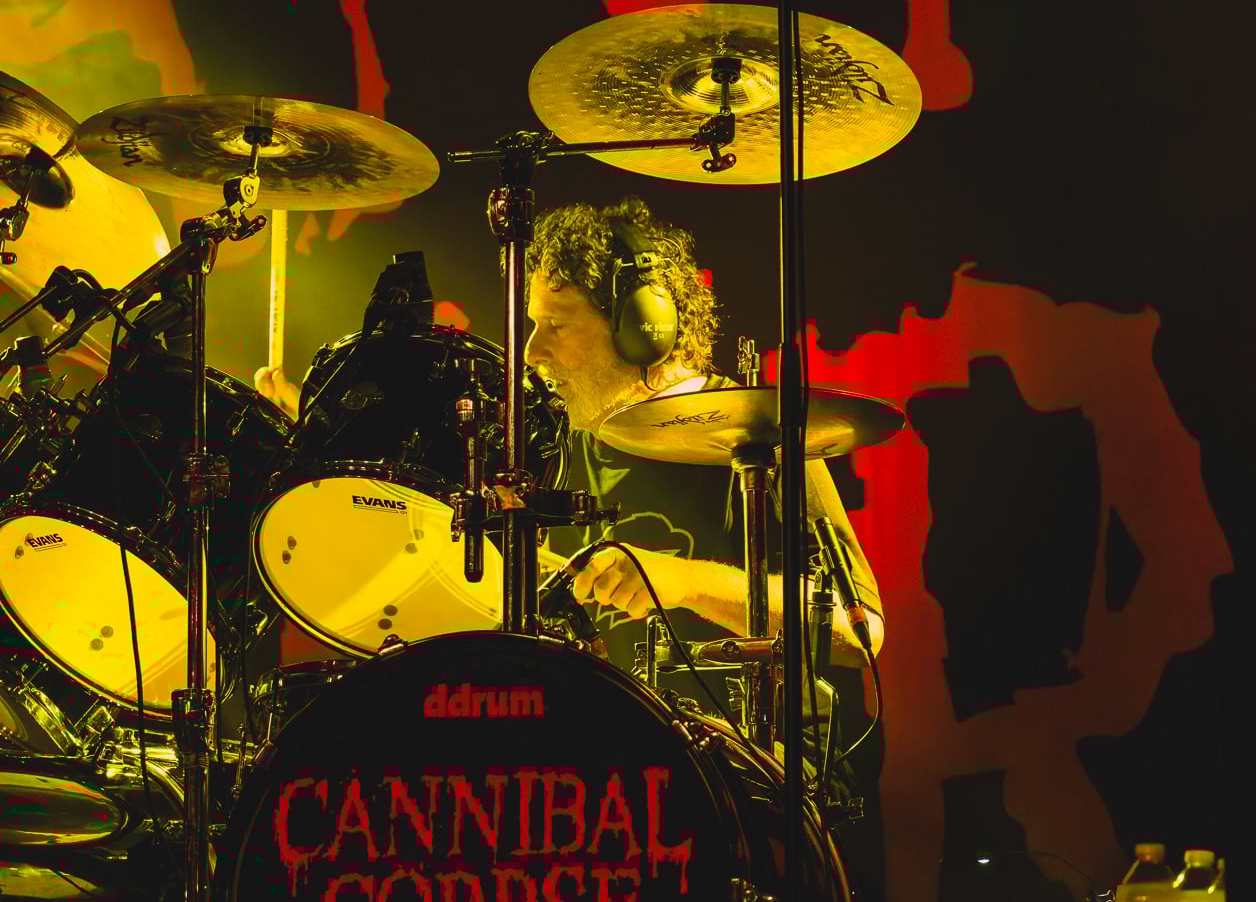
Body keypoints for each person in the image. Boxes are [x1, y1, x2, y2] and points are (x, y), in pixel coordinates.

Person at [254, 196, 884, 684]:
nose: (532, 351)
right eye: (533, 324)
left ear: (642, 326)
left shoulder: (756, 433)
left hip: (712, 784)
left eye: (555, 324)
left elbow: (860, 632)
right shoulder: (547, 435)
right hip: (570, 776)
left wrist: (684, 581)